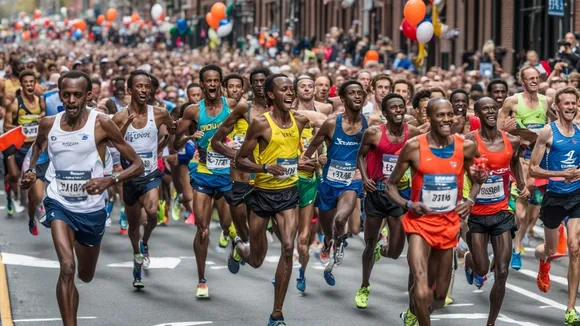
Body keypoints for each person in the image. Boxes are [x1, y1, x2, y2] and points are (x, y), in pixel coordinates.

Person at [20, 71, 144, 326]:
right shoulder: (48, 123)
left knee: (85, 276)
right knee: (67, 267)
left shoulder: (101, 124)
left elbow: (138, 164)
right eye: (66, 95)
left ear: (88, 96)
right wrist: (32, 170)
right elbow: (38, 146)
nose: (72, 100)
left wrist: (110, 180)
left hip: (92, 210)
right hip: (59, 203)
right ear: (59, 95)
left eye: (78, 95)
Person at [385, 98, 485, 326]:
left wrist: (470, 199)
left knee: (439, 297)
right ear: (428, 118)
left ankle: (419, 302)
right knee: (421, 289)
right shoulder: (413, 147)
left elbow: (478, 178)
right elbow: (390, 185)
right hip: (419, 225)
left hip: (448, 226)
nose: (447, 119)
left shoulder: (464, 147)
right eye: (440, 115)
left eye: (449, 114)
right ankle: (419, 307)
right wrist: (409, 204)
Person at [232, 73, 312, 326]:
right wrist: (265, 167)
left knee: (288, 248)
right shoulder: (260, 124)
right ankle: (239, 247)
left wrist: (304, 161)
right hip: (261, 196)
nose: (290, 93)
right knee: (256, 260)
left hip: (288, 194)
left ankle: (277, 313)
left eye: (292, 89)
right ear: (270, 95)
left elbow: (299, 152)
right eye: (284, 90)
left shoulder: (301, 122)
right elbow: (240, 160)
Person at [174, 64, 236, 297]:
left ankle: (235, 246)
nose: (211, 85)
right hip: (203, 171)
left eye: (215, 81)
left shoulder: (232, 108)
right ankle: (201, 279)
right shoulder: (192, 111)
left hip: (227, 173)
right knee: (202, 229)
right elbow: (176, 144)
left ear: (220, 83)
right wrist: (189, 136)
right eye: (207, 81)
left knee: (229, 226)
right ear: (201, 84)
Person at [463, 96, 527, 326]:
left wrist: (521, 183)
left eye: (493, 108)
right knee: (482, 268)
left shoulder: (512, 140)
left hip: (501, 213)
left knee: (501, 272)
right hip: (478, 214)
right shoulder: (469, 142)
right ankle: (469, 261)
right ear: (477, 114)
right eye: (485, 109)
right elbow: (457, 167)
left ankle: (490, 322)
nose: (490, 112)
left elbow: (515, 161)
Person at [355, 93, 421, 308]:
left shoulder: (413, 135)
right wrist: (365, 179)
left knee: (395, 251)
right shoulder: (373, 134)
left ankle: (382, 251)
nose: (398, 110)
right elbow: (361, 156)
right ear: (384, 113)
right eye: (393, 107)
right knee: (369, 242)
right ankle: (364, 285)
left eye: (401, 106)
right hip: (376, 193)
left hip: (399, 195)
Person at [112, 70, 176, 288]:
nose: (144, 90)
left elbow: (173, 129)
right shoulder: (120, 116)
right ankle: (137, 255)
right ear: (130, 90)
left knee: (151, 213)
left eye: (147, 87)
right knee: (132, 226)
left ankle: (145, 242)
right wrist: (124, 126)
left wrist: (171, 139)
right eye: (139, 86)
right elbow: (113, 142)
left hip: (149, 173)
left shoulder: (158, 113)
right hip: (130, 176)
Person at [301, 80, 369, 286]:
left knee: (341, 220)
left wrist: (365, 175)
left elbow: (369, 153)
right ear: (343, 98)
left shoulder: (367, 125)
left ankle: (338, 244)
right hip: (328, 183)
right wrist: (308, 160)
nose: (357, 96)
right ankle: (328, 243)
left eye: (360, 93)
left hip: (351, 182)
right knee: (327, 226)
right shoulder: (332, 123)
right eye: (352, 93)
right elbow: (311, 148)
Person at [528, 86, 580, 324]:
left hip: (577, 195)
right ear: (557, 106)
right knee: (551, 250)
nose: (570, 107)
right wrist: (562, 174)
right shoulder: (547, 132)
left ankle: (570, 309)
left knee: (574, 247)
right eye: (566, 103)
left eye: (573, 103)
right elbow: (533, 168)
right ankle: (543, 260)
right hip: (555, 197)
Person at [211, 68, 273, 265]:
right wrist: (234, 155)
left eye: (264, 81)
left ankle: (248, 249)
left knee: (256, 239)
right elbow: (216, 141)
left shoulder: (279, 110)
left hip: (263, 179)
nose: (260, 84)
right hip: (240, 178)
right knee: (244, 233)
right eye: (256, 81)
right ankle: (238, 244)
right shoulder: (242, 108)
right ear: (251, 84)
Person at [497, 65, 556, 270]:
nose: (534, 81)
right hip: (520, 158)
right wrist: (506, 131)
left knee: (532, 215)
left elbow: (556, 123)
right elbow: (499, 128)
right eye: (529, 78)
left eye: (536, 78)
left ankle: (516, 244)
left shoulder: (545, 101)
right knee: (520, 214)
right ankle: (514, 247)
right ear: (522, 81)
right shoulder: (513, 101)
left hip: (539, 160)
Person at [4, 70, 45, 218]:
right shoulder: (15, 103)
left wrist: (41, 119)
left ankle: (35, 201)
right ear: (21, 84)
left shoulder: (40, 102)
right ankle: (9, 196)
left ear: (35, 84)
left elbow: (44, 120)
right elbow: (6, 126)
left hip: (33, 147)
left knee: (31, 177)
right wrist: (22, 128)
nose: (29, 84)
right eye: (26, 82)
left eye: (31, 82)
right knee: (14, 176)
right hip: (17, 145)